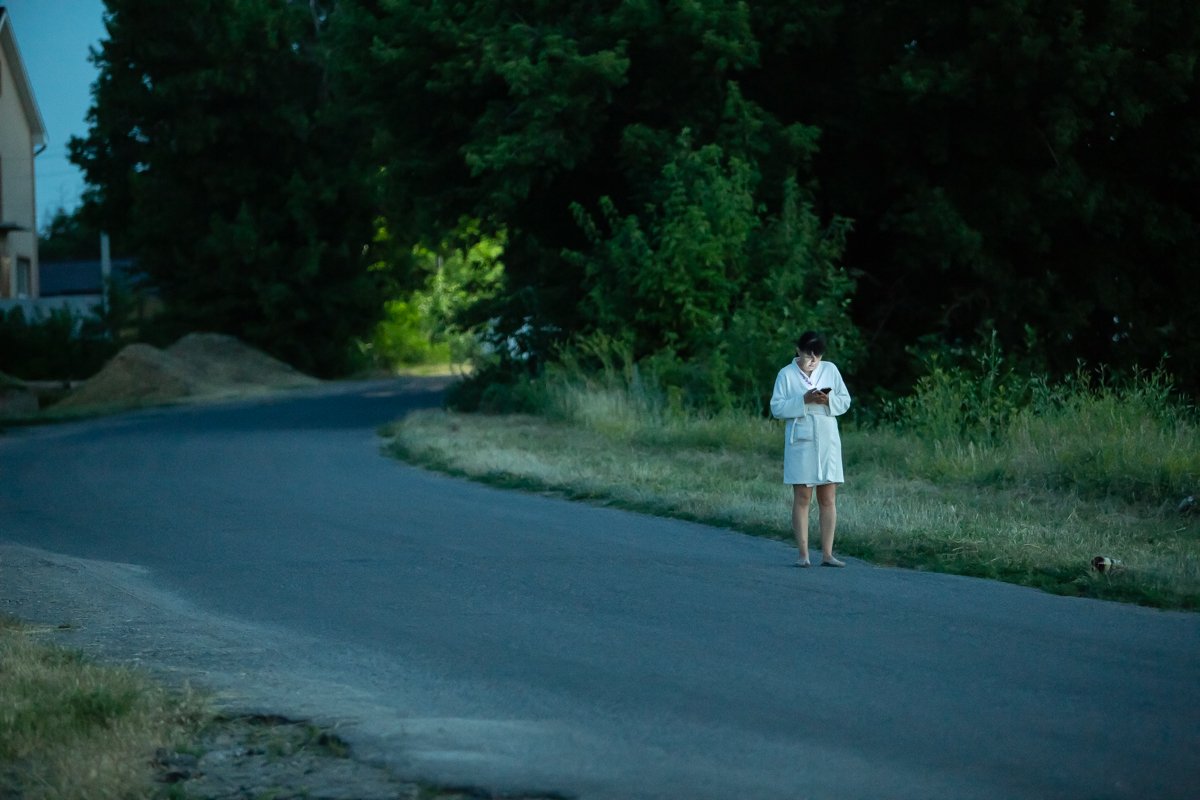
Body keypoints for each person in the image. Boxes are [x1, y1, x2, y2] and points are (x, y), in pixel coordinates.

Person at [769, 331, 851, 567]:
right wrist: (803, 400)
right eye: (808, 355)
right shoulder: (786, 374)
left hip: (827, 437)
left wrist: (829, 401)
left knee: (828, 496)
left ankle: (827, 554)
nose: (813, 361)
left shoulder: (830, 370)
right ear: (798, 350)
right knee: (803, 495)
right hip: (801, 438)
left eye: (817, 356)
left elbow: (845, 400)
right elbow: (777, 408)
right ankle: (803, 554)